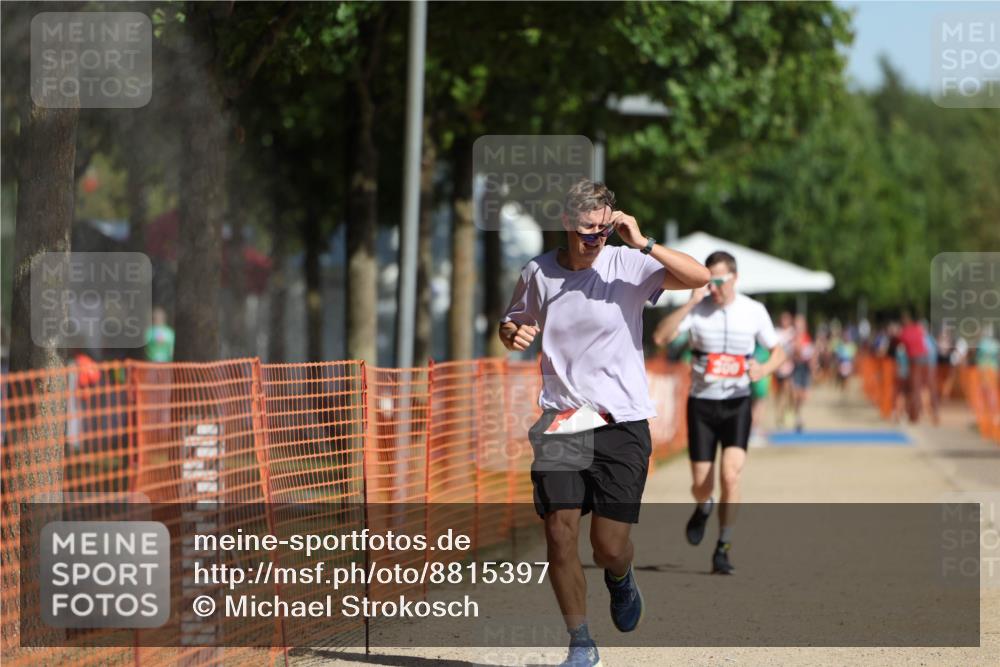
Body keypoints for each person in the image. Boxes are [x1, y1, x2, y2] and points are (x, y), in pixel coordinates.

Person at [499, 179, 708, 667]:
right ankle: (581, 642)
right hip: (562, 418)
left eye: (605, 230)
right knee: (559, 531)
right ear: (568, 224)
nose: (598, 240)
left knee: (609, 546)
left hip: (621, 422)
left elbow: (698, 278)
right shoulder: (539, 272)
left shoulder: (628, 263)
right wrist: (513, 332)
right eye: (590, 231)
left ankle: (620, 576)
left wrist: (644, 243)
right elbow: (513, 321)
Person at [652, 250, 786, 575]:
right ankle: (703, 504)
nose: (714, 287)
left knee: (731, 474)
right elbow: (660, 337)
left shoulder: (754, 311)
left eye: (719, 281)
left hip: (737, 403)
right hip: (702, 404)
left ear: (735, 279)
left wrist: (764, 368)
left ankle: (723, 546)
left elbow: (779, 352)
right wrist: (689, 301)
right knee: (702, 483)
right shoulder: (698, 310)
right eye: (709, 281)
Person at [790, 314, 815, 432]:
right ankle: (797, 417)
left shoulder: (807, 338)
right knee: (795, 394)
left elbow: (810, 354)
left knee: (804, 395)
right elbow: (794, 353)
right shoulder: (792, 338)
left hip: (805, 368)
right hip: (796, 367)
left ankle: (798, 413)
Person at [772, 311, 796, 427]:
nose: (784, 321)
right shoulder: (776, 332)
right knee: (780, 393)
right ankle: (780, 416)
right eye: (783, 319)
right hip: (779, 367)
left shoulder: (793, 332)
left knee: (789, 391)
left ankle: (787, 414)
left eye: (786, 319)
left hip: (790, 367)